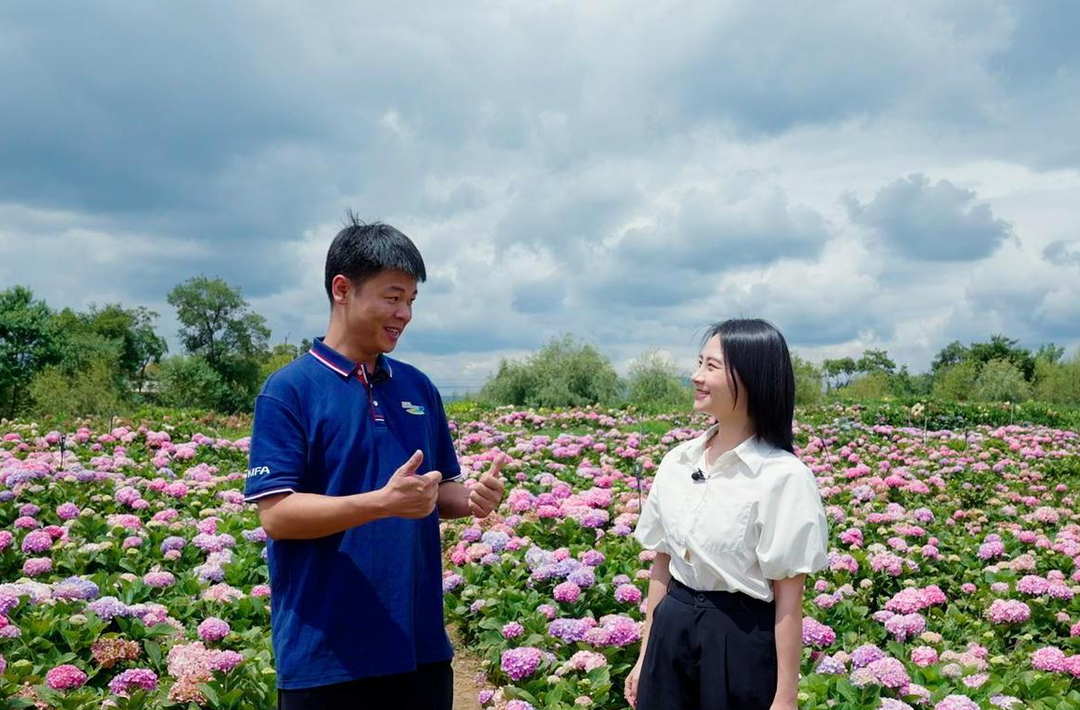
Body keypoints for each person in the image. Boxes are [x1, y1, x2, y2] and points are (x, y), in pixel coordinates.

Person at [243, 216, 508, 710]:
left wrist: (469, 497)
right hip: (327, 655)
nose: (403, 313)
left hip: (418, 647)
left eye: (410, 300)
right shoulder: (290, 391)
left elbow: (436, 490)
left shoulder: (418, 388)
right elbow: (276, 516)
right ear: (342, 289)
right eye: (392, 296)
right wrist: (381, 503)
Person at [625, 318, 829, 710]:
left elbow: (789, 597)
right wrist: (644, 656)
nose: (696, 376)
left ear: (751, 378)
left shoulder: (783, 476)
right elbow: (662, 564)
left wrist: (785, 696)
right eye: (699, 363)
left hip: (738, 640)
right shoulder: (678, 461)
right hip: (671, 630)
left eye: (711, 367)